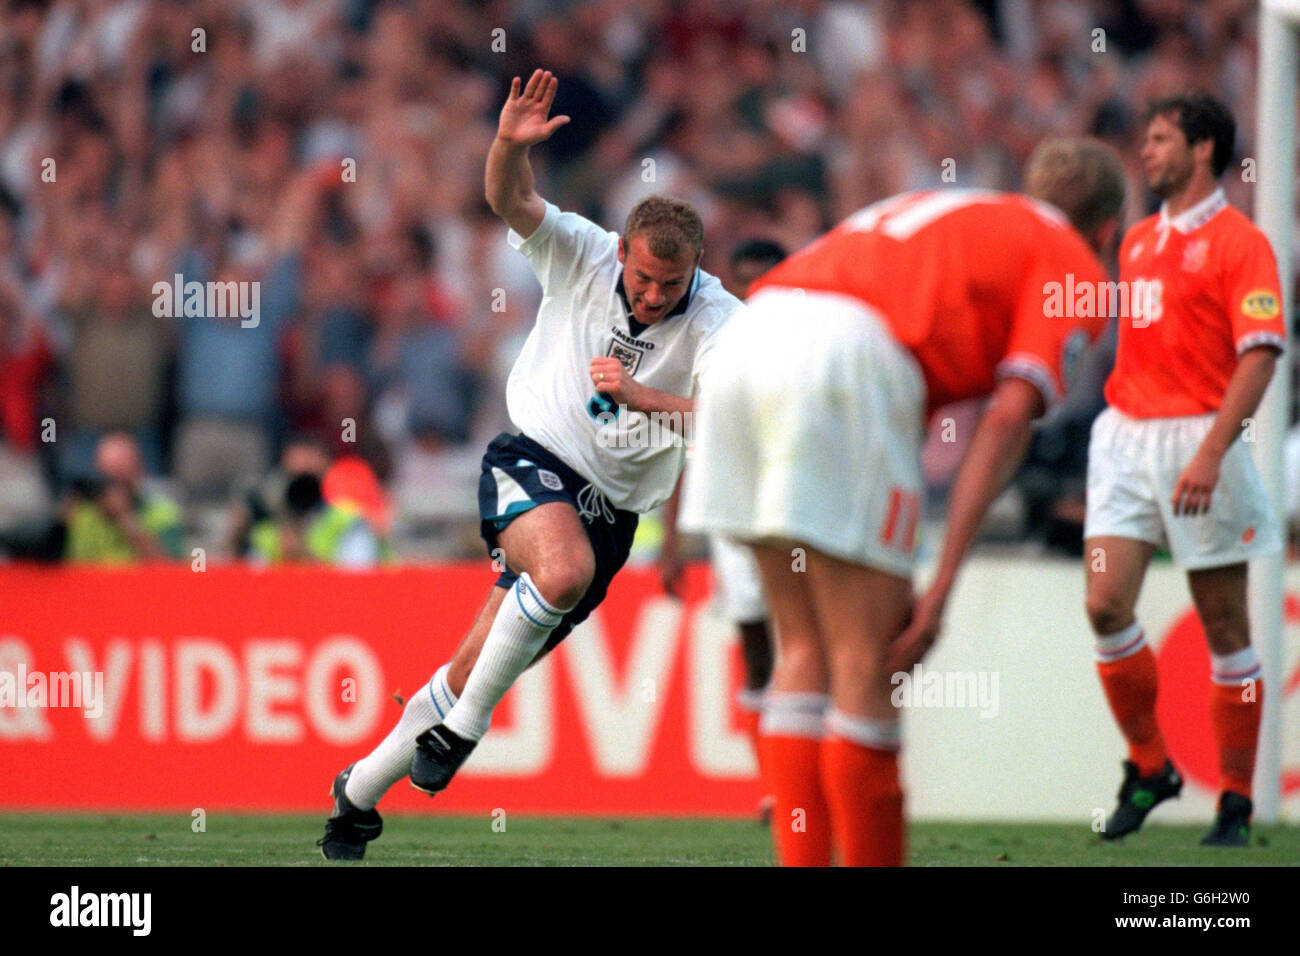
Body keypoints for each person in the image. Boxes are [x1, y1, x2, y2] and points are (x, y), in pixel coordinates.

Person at [318, 70, 741, 860]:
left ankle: (360, 793)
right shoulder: (580, 250)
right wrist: (507, 148)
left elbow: (728, 420)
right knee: (559, 570)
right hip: (534, 458)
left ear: (696, 275)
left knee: (471, 661)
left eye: (669, 285)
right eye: (643, 277)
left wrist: (646, 397)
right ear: (621, 251)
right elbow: (510, 201)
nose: (651, 295)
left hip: (616, 512)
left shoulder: (720, 319)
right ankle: (466, 733)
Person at [681, 138, 1128, 866]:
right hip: (844, 351)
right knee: (869, 655)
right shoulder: (1074, 263)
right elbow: (1011, 416)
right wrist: (944, 583)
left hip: (747, 340)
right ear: (1106, 229)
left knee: (803, 652)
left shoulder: (961, 209)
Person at [1083, 93, 1285, 847]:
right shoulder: (1136, 242)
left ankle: (1234, 801)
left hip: (1204, 439)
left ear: (1204, 150)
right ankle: (1150, 766)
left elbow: (1260, 352)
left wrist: (1211, 451)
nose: (1147, 151)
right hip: (1125, 441)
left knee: (1224, 624)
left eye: (1162, 138)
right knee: (1105, 605)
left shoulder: (1241, 243)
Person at [659, 238, 787, 820]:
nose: (756, 295)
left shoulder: (803, 349)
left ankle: (809, 784)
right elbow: (691, 447)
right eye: (746, 284)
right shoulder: (717, 350)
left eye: (769, 282)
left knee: (811, 646)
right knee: (758, 651)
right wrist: (671, 541)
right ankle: (779, 789)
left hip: (796, 517)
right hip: (735, 520)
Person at [63, 432, 185, 564]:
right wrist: (62, 520)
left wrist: (126, 519)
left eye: (120, 478)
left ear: (139, 471)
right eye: (108, 478)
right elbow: (46, 566)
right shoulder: (81, 515)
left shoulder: (163, 514)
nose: (113, 489)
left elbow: (170, 570)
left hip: (140, 584)